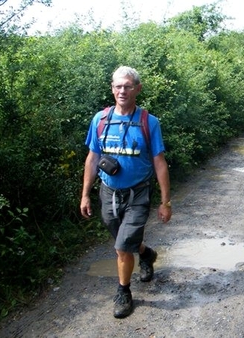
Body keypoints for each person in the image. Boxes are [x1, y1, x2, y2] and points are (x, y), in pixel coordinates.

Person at [80, 66, 172, 319]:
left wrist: (165, 202)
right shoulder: (100, 120)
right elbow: (92, 157)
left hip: (138, 193)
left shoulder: (148, 122)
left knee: (122, 247)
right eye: (118, 86)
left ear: (137, 89)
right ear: (112, 88)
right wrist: (85, 194)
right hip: (108, 192)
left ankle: (124, 291)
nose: (122, 90)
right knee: (125, 240)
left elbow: (159, 162)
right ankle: (146, 253)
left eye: (128, 86)